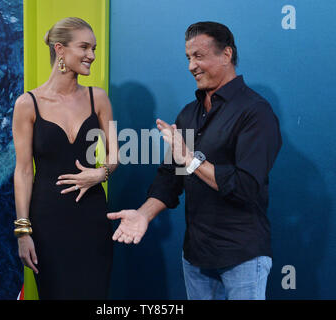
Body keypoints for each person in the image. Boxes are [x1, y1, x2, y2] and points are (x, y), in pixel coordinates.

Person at [107, 21, 282, 300]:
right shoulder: (188, 114)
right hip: (196, 259)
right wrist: (143, 214)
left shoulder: (255, 112)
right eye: (189, 58)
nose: (191, 66)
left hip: (243, 257)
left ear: (226, 55)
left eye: (199, 56)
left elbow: (245, 186)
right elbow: (169, 180)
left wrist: (190, 160)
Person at [12, 17, 118, 299]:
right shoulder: (27, 104)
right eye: (84, 47)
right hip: (48, 221)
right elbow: (23, 171)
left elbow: (116, 155)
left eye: (93, 48)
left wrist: (101, 173)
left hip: (92, 218)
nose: (92, 56)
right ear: (60, 49)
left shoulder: (99, 98)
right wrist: (23, 232)